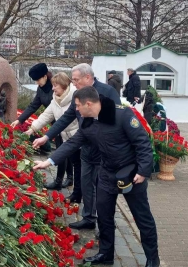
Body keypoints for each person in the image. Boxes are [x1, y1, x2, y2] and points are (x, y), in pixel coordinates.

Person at [33, 86, 160, 267]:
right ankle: (106, 254)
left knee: (143, 218)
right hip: (107, 172)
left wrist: (143, 171)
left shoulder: (122, 115)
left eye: (77, 106)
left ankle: (152, 260)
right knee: (104, 216)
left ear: (89, 104)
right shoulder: (88, 122)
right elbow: (72, 143)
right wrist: (49, 161)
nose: (76, 109)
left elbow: (142, 143)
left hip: (131, 173)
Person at [33, 63, 121, 230]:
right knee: (87, 184)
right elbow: (66, 118)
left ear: (88, 77)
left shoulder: (107, 92)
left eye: (75, 79)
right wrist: (47, 136)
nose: (73, 83)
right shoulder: (78, 95)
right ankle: (88, 217)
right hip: (86, 147)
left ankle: (106, 222)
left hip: (104, 152)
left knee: (104, 190)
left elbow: (116, 123)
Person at [11, 62, 72, 188]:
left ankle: (59, 181)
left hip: (64, 122)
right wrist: (20, 120)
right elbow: (34, 105)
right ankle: (69, 177)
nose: (36, 83)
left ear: (45, 76)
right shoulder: (41, 89)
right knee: (65, 150)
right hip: (54, 122)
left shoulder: (56, 86)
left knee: (62, 150)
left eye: (37, 79)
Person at [25, 72, 82, 203]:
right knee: (75, 164)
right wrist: (32, 129)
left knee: (80, 167)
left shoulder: (75, 97)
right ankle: (76, 193)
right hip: (66, 136)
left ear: (63, 85)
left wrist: (45, 137)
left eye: (55, 86)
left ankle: (80, 193)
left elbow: (67, 119)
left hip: (78, 137)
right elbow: (46, 115)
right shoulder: (56, 99)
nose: (53, 88)